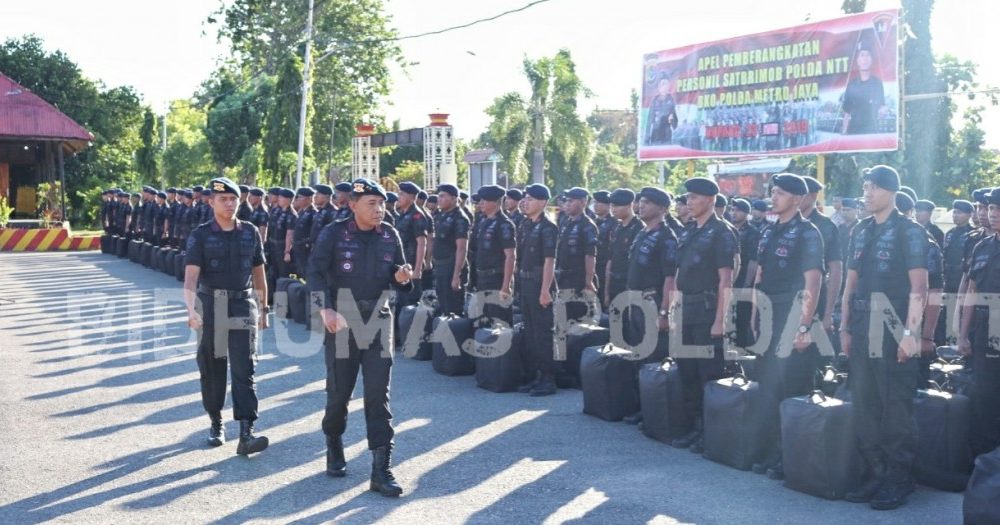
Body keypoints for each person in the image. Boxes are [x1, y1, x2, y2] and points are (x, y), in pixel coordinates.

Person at [307, 178, 413, 497]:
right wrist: (323, 310)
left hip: (378, 319)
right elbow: (313, 272)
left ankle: (381, 469)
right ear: (352, 205)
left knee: (378, 395)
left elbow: (402, 281)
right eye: (371, 204)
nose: (379, 209)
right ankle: (334, 441)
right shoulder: (334, 233)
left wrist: (403, 279)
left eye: (382, 204)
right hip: (342, 319)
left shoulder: (390, 234)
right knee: (339, 393)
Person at [841, 165, 928, 510]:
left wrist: (911, 334)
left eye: (873, 188)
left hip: (893, 328)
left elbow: (919, 288)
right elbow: (850, 283)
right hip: (862, 326)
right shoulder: (860, 231)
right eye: (865, 187)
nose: (867, 193)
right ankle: (875, 472)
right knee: (865, 404)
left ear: (891, 191)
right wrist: (845, 327)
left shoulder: (910, 232)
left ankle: (898, 478)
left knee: (895, 407)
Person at [183, 177, 270, 455]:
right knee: (213, 367)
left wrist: (264, 309)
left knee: (245, 368)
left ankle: (247, 431)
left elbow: (259, 274)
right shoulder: (201, 234)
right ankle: (215, 421)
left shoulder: (250, 232)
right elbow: (190, 279)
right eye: (224, 199)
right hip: (211, 305)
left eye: (234, 199)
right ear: (212, 202)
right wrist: (190, 310)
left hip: (243, 305)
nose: (230, 204)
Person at [749, 174, 823, 480]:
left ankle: (790, 455)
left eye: (779, 193)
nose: (773, 197)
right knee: (768, 384)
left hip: (792, 312)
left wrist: (804, 326)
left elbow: (813, 281)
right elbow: (761, 273)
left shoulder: (808, 233)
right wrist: (754, 311)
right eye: (772, 192)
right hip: (768, 311)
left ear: (796, 198)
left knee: (791, 385)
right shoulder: (768, 230)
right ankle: (769, 451)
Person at [671, 177, 737, 453]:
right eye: (688, 197)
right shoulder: (688, 230)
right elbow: (678, 273)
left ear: (710, 200)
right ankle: (693, 425)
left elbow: (726, 280)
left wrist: (721, 320)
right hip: (686, 308)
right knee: (686, 370)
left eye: (694, 197)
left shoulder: (722, 232)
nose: (689, 202)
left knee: (706, 373)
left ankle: (711, 432)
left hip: (707, 310)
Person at [621, 187, 678, 424]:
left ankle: (654, 411)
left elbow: (670, 279)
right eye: (640, 201)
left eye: (647, 202)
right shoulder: (642, 232)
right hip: (634, 300)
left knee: (653, 356)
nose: (640, 205)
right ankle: (641, 406)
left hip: (652, 301)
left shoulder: (667, 238)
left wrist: (664, 312)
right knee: (638, 355)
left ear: (662, 208)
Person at [958, 188, 1000, 458]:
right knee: (985, 396)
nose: (994, 215)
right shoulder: (982, 246)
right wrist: (962, 334)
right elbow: (971, 292)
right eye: (992, 209)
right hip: (986, 328)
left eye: (999, 210)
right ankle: (987, 466)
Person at [515, 184, 559, 396]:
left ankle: (548, 379)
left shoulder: (548, 227)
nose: (525, 201)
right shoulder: (526, 224)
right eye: (525, 198)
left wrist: (545, 290)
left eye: (530, 198)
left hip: (540, 284)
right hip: (525, 283)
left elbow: (549, 261)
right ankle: (536, 376)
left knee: (542, 334)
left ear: (542, 202)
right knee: (530, 333)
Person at [801, 176, 843, 340]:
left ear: (812, 196)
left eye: (801, 194)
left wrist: (828, 313)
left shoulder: (825, 226)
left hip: (815, 298)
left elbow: (836, 270)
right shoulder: (784, 223)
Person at [471, 185, 516, 326]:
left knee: (500, 322)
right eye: (481, 200)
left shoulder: (504, 224)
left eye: (485, 200)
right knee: (484, 321)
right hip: (482, 278)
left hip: (497, 279)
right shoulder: (483, 222)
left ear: (496, 202)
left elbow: (510, 256)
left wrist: (506, 286)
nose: (481, 203)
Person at [556, 187, 599, 327]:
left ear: (583, 202)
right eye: (566, 201)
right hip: (563, 279)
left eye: (571, 201)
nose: (567, 204)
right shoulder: (565, 222)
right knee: (563, 321)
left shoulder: (587, 226)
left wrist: (588, 281)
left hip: (578, 279)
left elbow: (590, 256)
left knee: (580, 322)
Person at [433, 184, 470, 316]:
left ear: (454, 199)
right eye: (439, 196)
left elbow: (461, 248)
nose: (439, 199)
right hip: (440, 267)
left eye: (443, 196)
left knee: (453, 310)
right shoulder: (439, 215)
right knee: (443, 307)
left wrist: (456, 276)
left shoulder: (460, 218)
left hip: (451, 267)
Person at [394, 181, 430, 311]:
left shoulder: (417, 215)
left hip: (411, 265)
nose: (399, 196)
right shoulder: (402, 215)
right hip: (402, 265)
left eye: (402, 194)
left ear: (412, 197)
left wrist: (418, 269)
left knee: (410, 304)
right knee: (400, 301)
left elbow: (422, 242)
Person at [730, 198, 760, 349]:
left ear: (746, 213)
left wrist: (747, 284)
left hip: (743, 281)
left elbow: (754, 261)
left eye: (738, 210)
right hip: (729, 281)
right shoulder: (730, 229)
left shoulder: (752, 232)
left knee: (742, 318)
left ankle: (742, 350)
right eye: (733, 210)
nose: (734, 213)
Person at [604, 189, 642, 308]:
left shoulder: (639, 228)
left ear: (630, 205)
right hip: (615, 284)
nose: (613, 209)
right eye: (612, 205)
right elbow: (610, 259)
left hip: (630, 285)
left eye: (618, 205)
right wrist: (606, 290)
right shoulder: (617, 228)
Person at [841, 45, 886, 135]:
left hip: (872, 134)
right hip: (854, 134)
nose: (865, 59)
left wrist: (883, 110)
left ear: (872, 60)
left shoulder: (877, 84)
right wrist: (843, 133)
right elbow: (846, 113)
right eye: (862, 55)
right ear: (858, 61)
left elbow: (882, 106)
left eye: (868, 55)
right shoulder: (851, 85)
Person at [290, 187, 317, 279]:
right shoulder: (302, 212)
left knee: (306, 273)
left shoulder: (313, 213)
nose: (298, 199)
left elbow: (313, 233)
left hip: (306, 249)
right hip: (298, 247)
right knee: (299, 273)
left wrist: (304, 243)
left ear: (309, 199)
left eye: (301, 197)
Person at [593, 190, 614, 309]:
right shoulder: (593, 222)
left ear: (608, 205)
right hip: (593, 268)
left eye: (599, 203)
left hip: (604, 268)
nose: (595, 205)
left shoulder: (614, 223)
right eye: (594, 202)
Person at [646, 71, 678, 144]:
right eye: (662, 84)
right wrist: (646, 139)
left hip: (666, 136)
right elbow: (649, 121)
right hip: (655, 136)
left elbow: (675, 124)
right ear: (658, 86)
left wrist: (672, 120)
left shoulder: (671, 99)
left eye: (666, 84)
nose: (664, 87)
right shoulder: (654, 100)